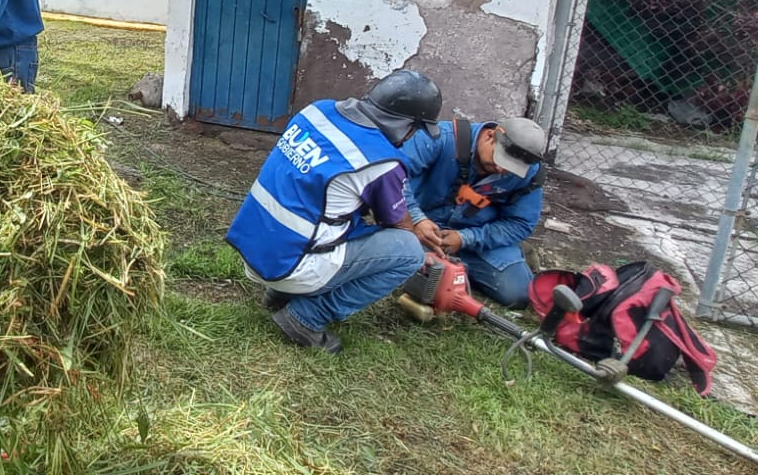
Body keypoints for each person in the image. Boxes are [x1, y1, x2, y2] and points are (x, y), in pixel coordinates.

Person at [225, 71, 443, 354]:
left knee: (322, 210)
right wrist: (420, 246)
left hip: (254, 250)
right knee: (408, 252)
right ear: (405, 125)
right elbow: (395, 224)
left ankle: (279, 294)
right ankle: (306, 317)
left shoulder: (317, 111)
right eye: (415, 129)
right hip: (292, 267)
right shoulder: (381, 161)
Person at [401, 117, 547, 308]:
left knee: (517, 295)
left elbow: (520, 223)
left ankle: (461, 265)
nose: (501, 169)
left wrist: (465, 238)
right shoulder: (440, 138)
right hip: (416, 226)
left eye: (511, 168)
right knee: (401, 267)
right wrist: (417, 219)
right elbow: (391, 177)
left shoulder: (530, 173)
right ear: (490, 136)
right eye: (500, 159)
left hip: (476, 237)